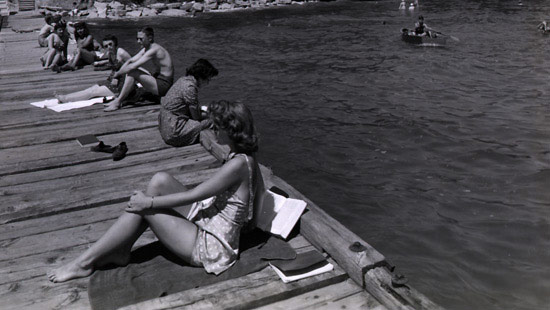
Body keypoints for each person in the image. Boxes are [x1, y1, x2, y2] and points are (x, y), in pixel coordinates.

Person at [47, 100, 265, 282]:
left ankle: (83, 263)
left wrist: (148, 203)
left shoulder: (236, 165)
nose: (213, 130)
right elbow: (260, 193)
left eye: (217, 127)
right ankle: (122, 249)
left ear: (230, 131)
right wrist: (250, 223)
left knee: (145, 207)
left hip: (211, 246)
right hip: (211, 220)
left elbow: (195, 194)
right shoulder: (248, 158)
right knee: (159, 181)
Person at [104, 27, 174, 112]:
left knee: (133, 72)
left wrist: (117, 74)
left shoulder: (154, 50)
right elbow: (130, 60)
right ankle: (118, 99)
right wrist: (117, 74)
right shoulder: (146, 49)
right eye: (137, 39)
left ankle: (118, 102)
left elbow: (134, 66)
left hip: (164, 85)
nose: (138, 42)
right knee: (131, 72)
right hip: (157, 79)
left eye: (141, 39)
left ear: (150, 38)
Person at [159, 59, 219, 147]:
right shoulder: (190, 88)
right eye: (208, 80)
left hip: (166, 126)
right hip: (174, 131)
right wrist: (211, 114)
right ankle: (216, 145)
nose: (208, 83)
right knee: (212, 121)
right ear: (201, 77)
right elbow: (196, 117)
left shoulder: (182, 80)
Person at [55, 34, 132, 103]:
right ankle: (67, 97)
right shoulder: (111, 54)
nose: (108, 47)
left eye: (110, 44)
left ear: (115, 43)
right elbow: (113, 64)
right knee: (92, 88)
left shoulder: (121, 52)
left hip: (122, 85)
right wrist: (101, 63)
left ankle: (65, 99)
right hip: (113, 81)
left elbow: (134, 65)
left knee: (93, 92)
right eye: (106, 46)